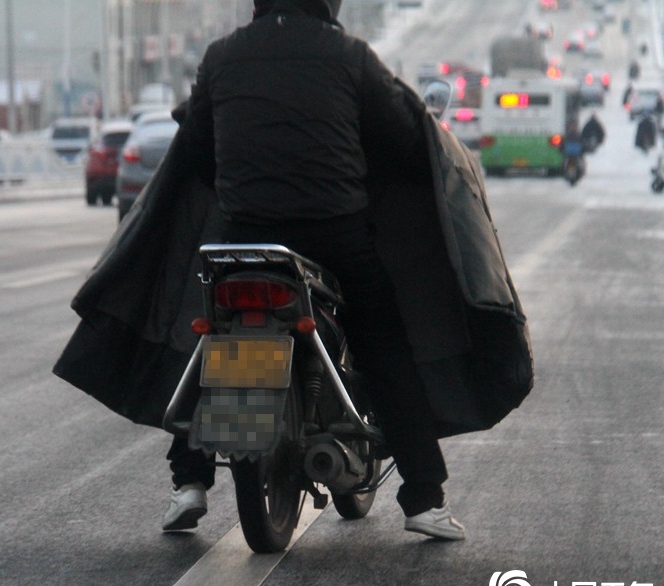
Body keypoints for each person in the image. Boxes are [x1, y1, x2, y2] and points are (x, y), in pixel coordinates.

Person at [161, 0, 464, 540]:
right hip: (334, 232)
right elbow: (398, 137)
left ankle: (189, 483)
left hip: (245, 235)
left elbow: (197, 149)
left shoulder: (221, 57)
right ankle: (423, 498)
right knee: (383, 342)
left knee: (212, 341)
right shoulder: (350, 56)